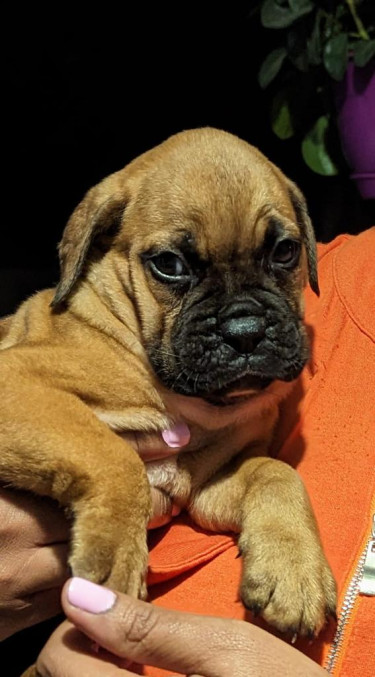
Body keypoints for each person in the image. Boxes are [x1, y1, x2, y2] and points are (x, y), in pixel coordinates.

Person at [1, 227, 375, 676]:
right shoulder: (96, 327)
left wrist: (270, 488)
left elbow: (204, 478)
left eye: (283, 255)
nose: (243, 325)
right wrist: (109, 482)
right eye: (173, 266)